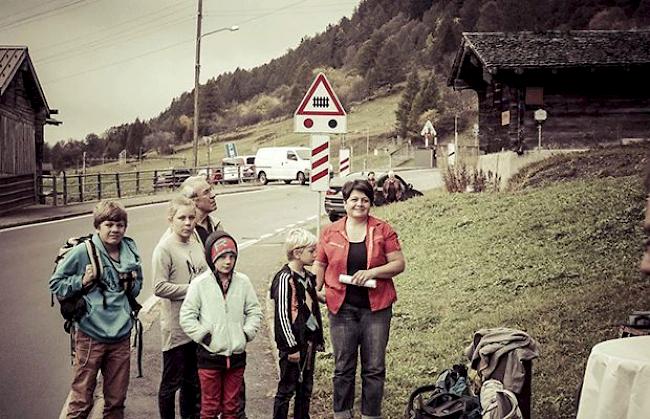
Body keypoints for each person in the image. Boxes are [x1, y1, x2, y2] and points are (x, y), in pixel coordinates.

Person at [313, 179, 406, 419]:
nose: (359, 204)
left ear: (371, 203)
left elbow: (398, 263)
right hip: (341, 309)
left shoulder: (383, 230)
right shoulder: (329, 232)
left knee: (374, 368)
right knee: (343, 367)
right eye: (354, 199)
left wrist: (372, 273)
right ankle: (342, 414)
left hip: (376, 309)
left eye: (364, 199)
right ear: (345, 203)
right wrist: (315, 290)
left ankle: (370, 415)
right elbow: (320, 263)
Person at [50, 200, 143, 419]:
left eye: (120, 225)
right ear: (98, 226)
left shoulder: (130, 251)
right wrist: (82, 280)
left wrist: (127, 285)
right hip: (91, 336)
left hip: (121, 335)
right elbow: (56, 284)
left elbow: (137, 287)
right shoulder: (84, 251)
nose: (115, 230)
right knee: (81, 400)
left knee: (116, 401)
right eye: (109, 224)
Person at [180, 231, 262, 419]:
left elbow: (254, 311)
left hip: (236, 357)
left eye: (232, 256)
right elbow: (187, 315)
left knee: (231, 408)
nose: (228, 261)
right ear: (212, 258)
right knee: (209, 407)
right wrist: (204, 336)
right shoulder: (200, 284)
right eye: (222, 256)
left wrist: (246, 333)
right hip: (210, 357)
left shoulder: (243, 282)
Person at [153, 197, 209, 419]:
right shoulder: (164, 249)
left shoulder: (196, 244)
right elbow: (159, 287)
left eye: (191, 217)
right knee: (171, 383)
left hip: (196, 326)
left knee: (193, 382)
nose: (188, 223)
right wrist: (192, 289)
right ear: (171, 219)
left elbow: (204, 276)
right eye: (182, 218)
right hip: (175, 328)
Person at [270, 228, 324, 419]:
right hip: (293, 344)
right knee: (286, 388)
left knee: (305, 388)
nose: (316, 254)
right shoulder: (285, 279)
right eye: (312, 250)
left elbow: (309, 303)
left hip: (308, 342)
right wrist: (290, 346)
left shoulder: (308, 277)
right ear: (297, 253)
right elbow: (282, 315)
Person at [180, 175, 224, 244]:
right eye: (206, 192)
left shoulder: (216, 225)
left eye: (211, 190)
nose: (213, 195)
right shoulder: (182, 231)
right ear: (193, 200)